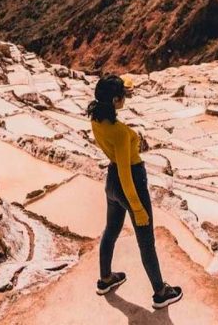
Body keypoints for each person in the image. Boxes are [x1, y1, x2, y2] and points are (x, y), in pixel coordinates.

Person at [88, 74, 183, 309]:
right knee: (146, 241)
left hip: (111, 182)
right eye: (122, 96)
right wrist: (138, 207)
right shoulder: (119, 132)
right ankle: (161, 293)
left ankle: (106, 279)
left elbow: (116, 169)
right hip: (130, 182)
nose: (125, 99)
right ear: (115, 100)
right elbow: (125, 172)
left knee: (110, 230)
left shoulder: (96, 119)